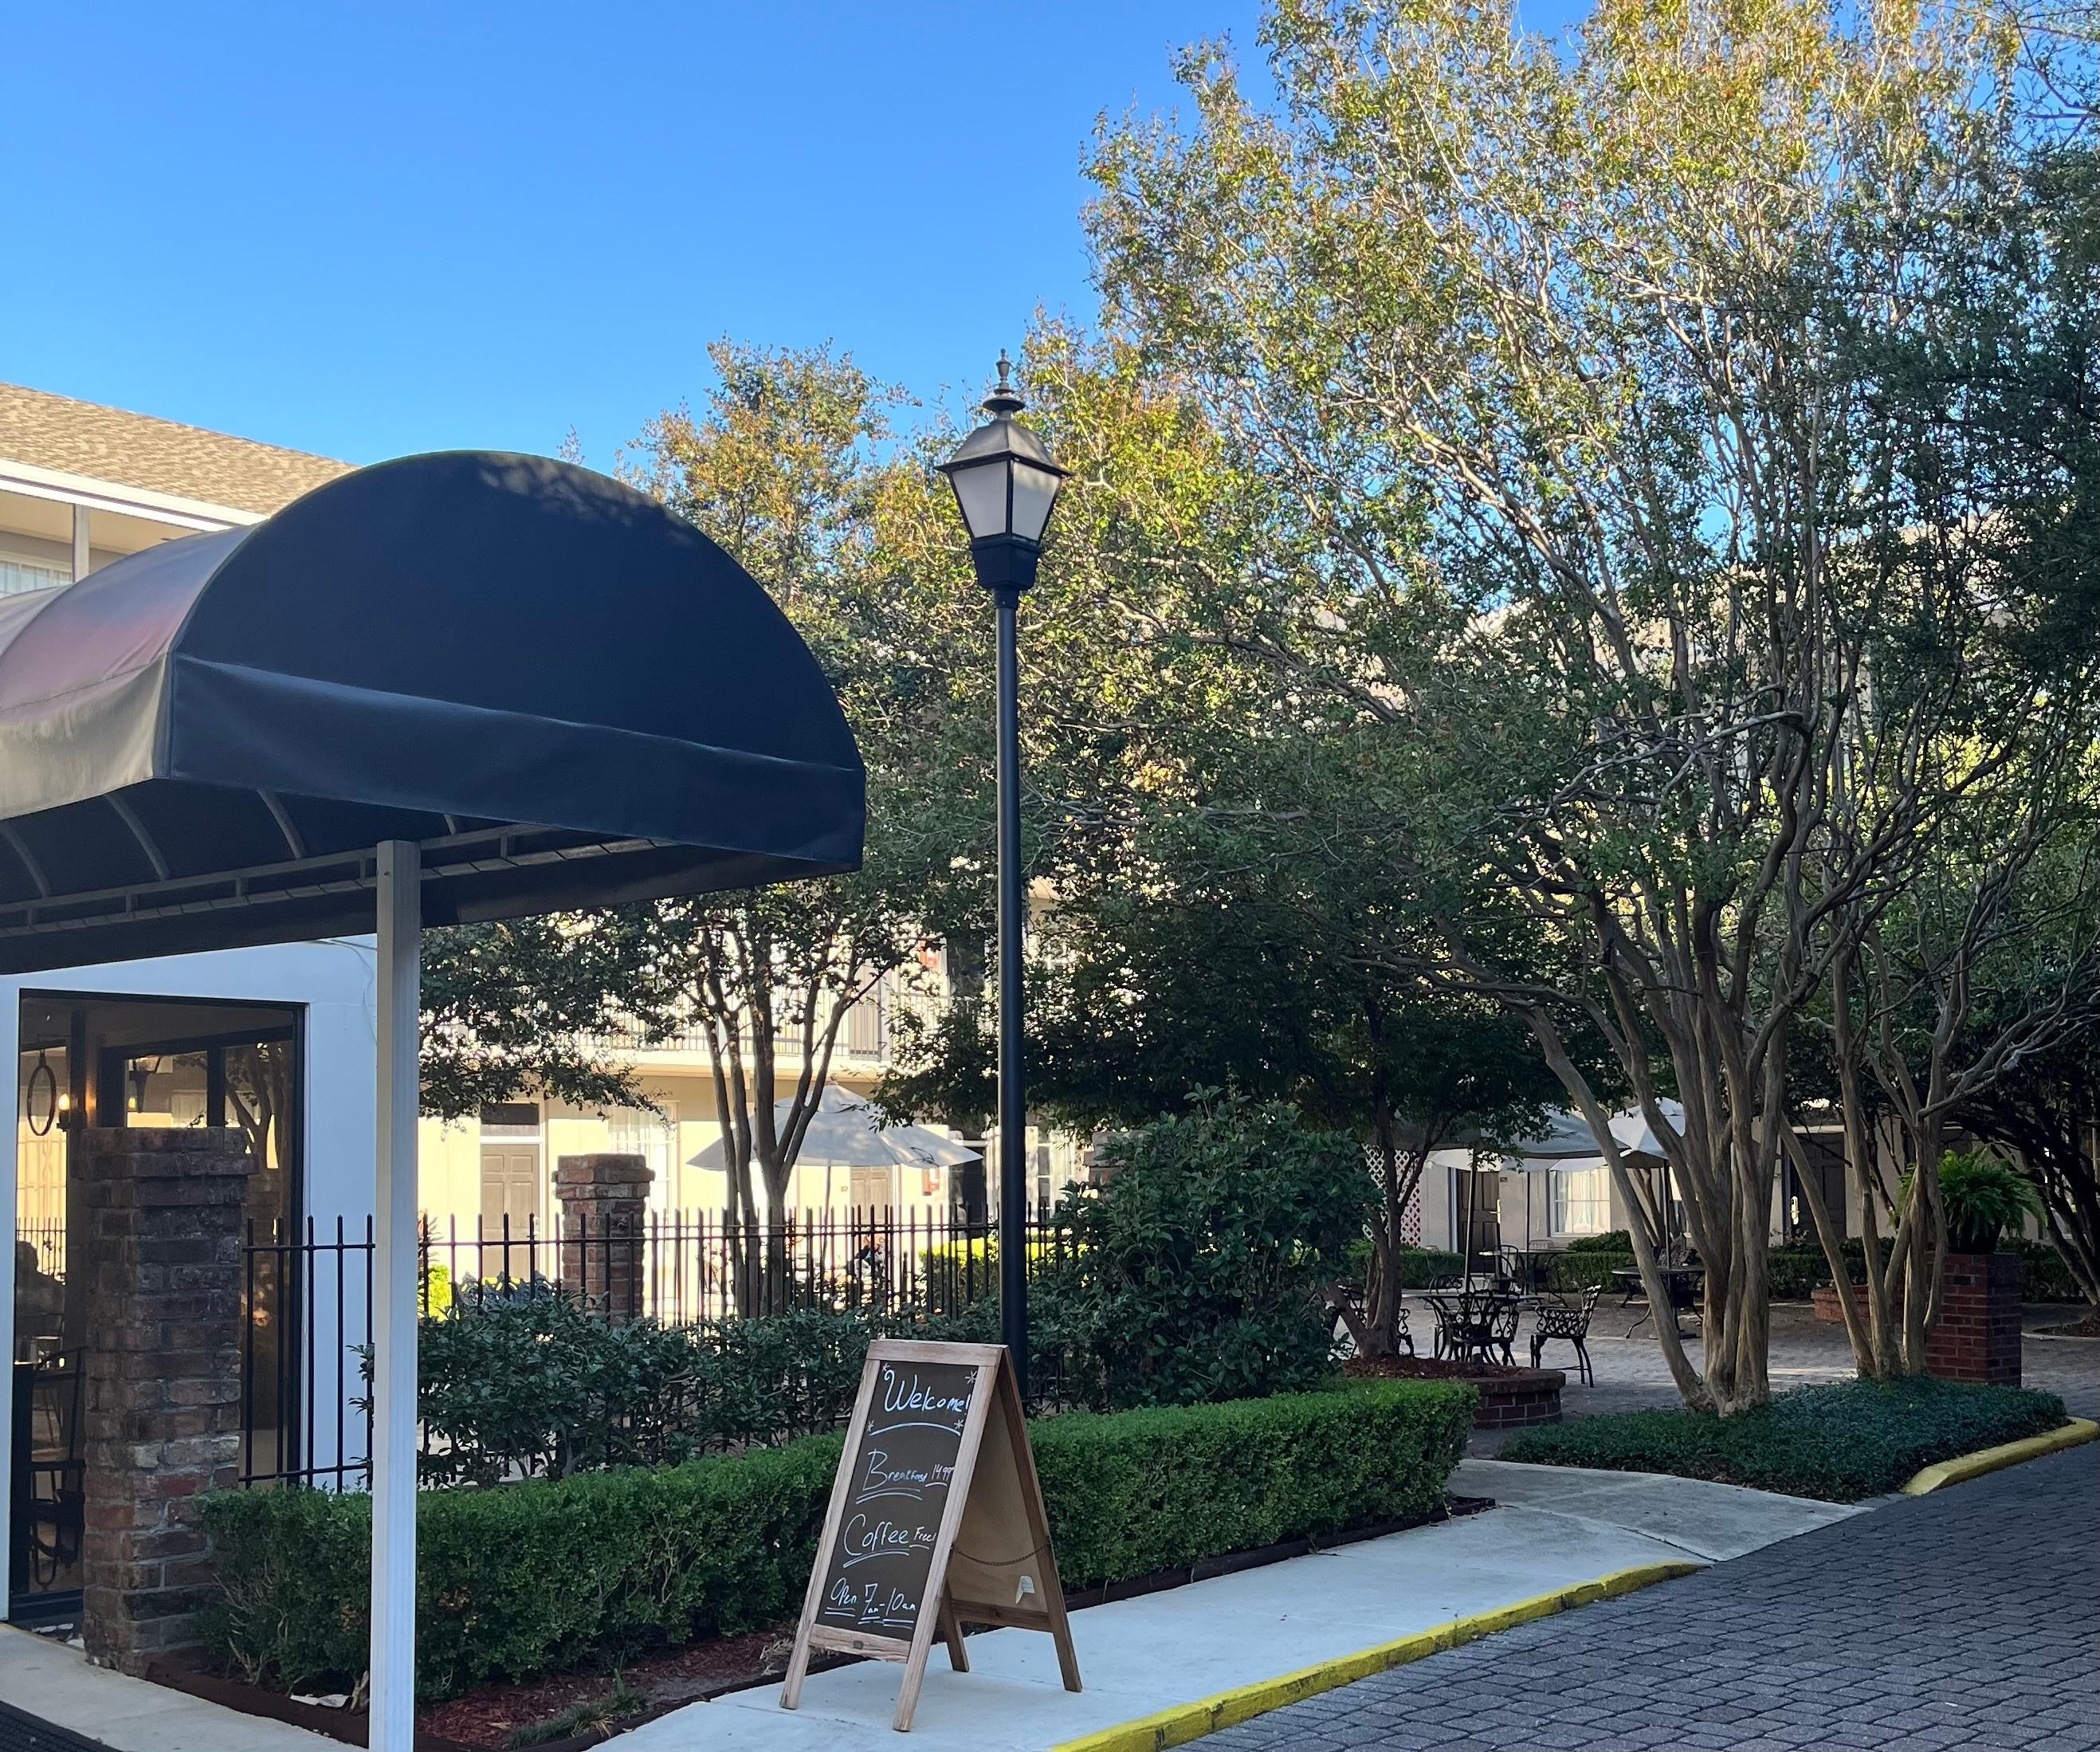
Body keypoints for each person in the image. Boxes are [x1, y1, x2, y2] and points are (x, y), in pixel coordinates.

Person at [14, 1239, 66, 1357]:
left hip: (41, 1335)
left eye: (24, 1256)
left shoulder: (50, 1285)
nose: (21, 1260)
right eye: (19, 1256)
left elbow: (57, 1310)